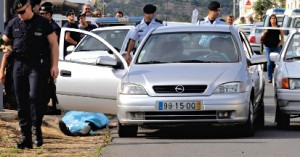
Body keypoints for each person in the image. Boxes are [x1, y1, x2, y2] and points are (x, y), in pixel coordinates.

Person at [0, 0, 59, 149]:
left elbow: (53, 43)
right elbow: (4, 43)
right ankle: (26, 137)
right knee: (22, 102)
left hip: (37, 65)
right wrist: (2, 69)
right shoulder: (13, 24)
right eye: (17, 13)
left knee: (35, 97)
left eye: (22, 12)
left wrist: (54, 65)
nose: (20, 15)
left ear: (29, 7)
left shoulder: (43, 23)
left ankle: (36, 129)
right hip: (18, 66)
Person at [262, 14, 284, 83]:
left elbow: (282, 36)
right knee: (269, 63)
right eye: (272, 18)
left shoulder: (278, 27)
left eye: (274, 18)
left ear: (276, 20)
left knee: (280, 62)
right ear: (270, 20)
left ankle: (279, 77)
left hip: (276, 47)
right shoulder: (268, 28)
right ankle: (269, 78)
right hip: (268, 47)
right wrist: (264, 33)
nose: (273, 19)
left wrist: (280, 43)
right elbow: (263, 36)